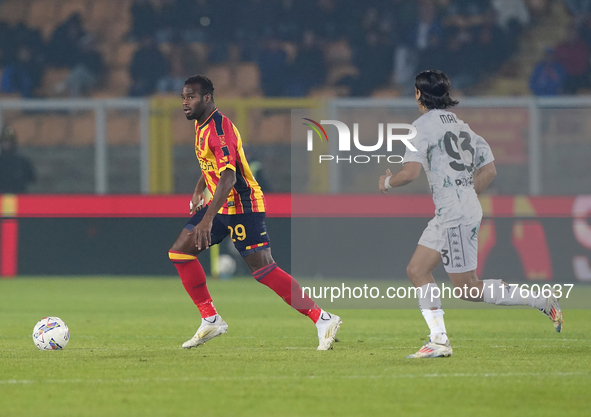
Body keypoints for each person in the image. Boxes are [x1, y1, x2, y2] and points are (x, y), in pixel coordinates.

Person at [378, 70, 563, 358]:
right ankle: (438, 339)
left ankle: (539, 299)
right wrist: (465, 192)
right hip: (456, 210)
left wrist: (387, 182)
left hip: (453, 214)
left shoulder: (421, 127)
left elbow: (410, 172)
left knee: (467, 288)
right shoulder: (464, 128)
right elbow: (489, 170)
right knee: (417, 270)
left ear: (418, 94)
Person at [169, 75, 341, 350]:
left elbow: (229, 177)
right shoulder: (202, 125)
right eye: (183, 97)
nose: (184, 103)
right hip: (221, 204)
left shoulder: (219, 129)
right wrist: (199, 187)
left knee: (263, 269)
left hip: (242, 205)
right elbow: (211, 163)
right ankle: (210, 318)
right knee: (180, 252)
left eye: (190, 97)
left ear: (207, 98)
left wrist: (208, 218)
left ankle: (322, 318)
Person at [0, 126, 36, 193]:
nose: (6, 144)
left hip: (19, 196)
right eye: (3, 141)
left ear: (13, 143)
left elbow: (31, 178)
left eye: (8, 141)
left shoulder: (22, 161)